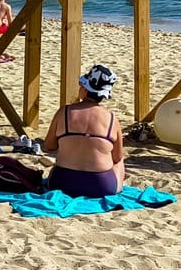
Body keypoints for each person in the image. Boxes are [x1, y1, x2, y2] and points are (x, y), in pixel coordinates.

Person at [41, 65, 127, 198]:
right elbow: (117, 157)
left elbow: (49, 146)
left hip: (63, 182)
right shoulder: (112, 119)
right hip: (100, 185)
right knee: (119, 162)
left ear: (85, 91)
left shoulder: (63, 112)